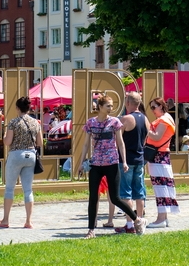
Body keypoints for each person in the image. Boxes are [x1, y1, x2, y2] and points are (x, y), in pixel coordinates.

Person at [76, 95, 144, 239]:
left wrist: (124, 161)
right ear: (100, 107)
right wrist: (81, 163)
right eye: (108, 106)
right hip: (96, 164)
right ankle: (91, 230)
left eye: (112, 106)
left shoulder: (115, 122)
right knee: (93, 197)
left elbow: (120, 143)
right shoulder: (91, 123)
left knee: (115, 198)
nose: (111, 108)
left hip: (112, 163)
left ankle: (137, 219)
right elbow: (86, 144)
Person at [0, 96, 41, 228]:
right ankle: (28, 221)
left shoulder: (13, 122)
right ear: (29, 108)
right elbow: (39, 143)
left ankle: (5, 220)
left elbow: (7, 142)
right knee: (28, 190)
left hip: (16, 155)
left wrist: (4, 134)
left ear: (17, 108)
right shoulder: (35, 123)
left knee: (10, 188)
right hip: (30, 155)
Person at [113, 91, 151, 234]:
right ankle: (140, 220)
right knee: (139, 192)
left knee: (126, 193)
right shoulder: (146, 119)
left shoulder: (126, 119)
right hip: (140, 159)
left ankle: (130, 224)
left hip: (126, 160)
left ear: (128, 103)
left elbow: (118, 140)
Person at [146, 96, 179, 228]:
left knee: (160, 187)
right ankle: (163, 218)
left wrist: (146, 129)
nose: (153, 110)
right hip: (161, 156)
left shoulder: (164, 120)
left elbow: (157, 136)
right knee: (162, 187)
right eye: (151, 107)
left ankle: (161, 219)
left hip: (159, 156)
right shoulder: (166, 119)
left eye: (154, 107)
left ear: (161, 106)